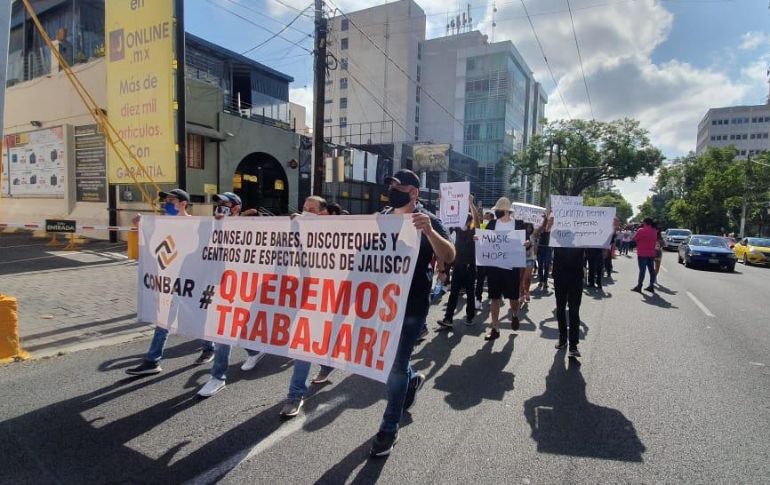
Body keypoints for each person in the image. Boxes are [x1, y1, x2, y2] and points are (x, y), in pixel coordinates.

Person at [370, 169, 455, 457]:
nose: (393, 190)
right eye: (391, 185)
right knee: (394, 362)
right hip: (382, 301)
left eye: (399, 186)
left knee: (395, 366)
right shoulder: (380, 217)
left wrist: (429, 232)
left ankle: (388, 428)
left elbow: (449, 255)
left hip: (413, 303)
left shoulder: (428, 220)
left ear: (414, 192)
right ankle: (414, 378)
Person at [126, 189, 217, 376]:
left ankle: (209, 347)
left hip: (192, 281)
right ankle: (152, 360)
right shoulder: (161, 224)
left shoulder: (197, 224)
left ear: (183, 203)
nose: (166, 203)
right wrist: (139, 225)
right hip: (169, 281)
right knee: (163, 320)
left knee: (198, 315)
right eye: (165, 200)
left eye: (171, 200)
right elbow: (152, 246)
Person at [197, 192, 265, 397]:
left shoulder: (248, 226)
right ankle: (254, 350)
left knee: (222, 331)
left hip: (238, 286)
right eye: (218, 203)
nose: (220, 206)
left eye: (225, 204)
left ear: (236, 207)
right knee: (229, 328)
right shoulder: (213, 225)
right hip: (217, 283)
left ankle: (218, 377)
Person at [280, 195, 337, 417]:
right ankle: (296, 394)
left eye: (311, 209)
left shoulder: (337, 231)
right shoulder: (299, 229)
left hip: (328, 295)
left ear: (323, 213)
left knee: (318, 339)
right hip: (303, 294)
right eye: (304, 208)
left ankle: (298, 393)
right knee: (303, 343)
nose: (306, 212)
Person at [545, 215, 585, 358]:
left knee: (574, 311)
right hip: (560, 276)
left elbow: (600, 240)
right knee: (560, 308)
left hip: (576, 277)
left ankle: (573, 345)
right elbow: (546, 236)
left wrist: (610, 229)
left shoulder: (583, 235)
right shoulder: (557, 234)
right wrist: (549, 224)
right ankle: (563, 339)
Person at [482, 197, 521, 341]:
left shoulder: (518, 225)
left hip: (511, 268)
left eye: (498, 210)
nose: (497, 212)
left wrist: (527, 243)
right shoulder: (492, 224)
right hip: (495, 267)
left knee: (513, 298)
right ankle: (495, 328)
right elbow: (485, 241)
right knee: (494, 298)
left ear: (506, 211)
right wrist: (479, 239)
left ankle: (515, 315)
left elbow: (526, 242)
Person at [437, 196, 480, 328]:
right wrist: (442, 203)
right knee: (454, 292)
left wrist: (471, 204)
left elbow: (477, 221)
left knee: (470, 292)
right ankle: (448, 318)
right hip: (458, 263)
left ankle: (470, 316)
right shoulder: (456, 227)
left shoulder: (473, 227)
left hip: (470, 265)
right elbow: (444, 223)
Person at [475, 210, 496, 307]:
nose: (485, 219)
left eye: (487, 217)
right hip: (482, 256)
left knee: (492, 279)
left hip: (492, 257)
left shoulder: (496, 227)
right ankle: (478, 299)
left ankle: (492, 297)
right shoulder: (480, 226)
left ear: (492, 218)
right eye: (484, 217)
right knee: (480, 279)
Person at [632, 218, 658, 294]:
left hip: (642, 253)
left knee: (642, 271)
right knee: (651, 271)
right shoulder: (654, 231)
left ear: (645, 223)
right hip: (651, 253)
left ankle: (639, 286)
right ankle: (651, 286)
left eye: (643, 222)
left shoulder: (641, 230)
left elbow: (635, 239)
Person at [520, 223, 537, 304]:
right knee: (521, 278)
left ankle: (527, 292)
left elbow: (535, 247)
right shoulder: (519, 235)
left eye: (530, 227)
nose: (529, 228)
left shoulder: (533, 236)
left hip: (530, 259)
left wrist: (535, 255)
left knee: (527, 278)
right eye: (527, 227)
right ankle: (522, 294)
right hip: (520, 258)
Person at [536, 213, 553, 291]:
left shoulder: (550, 228)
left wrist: (547, 219)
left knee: (546, 266)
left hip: (548, 248)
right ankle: (540, 281)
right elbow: (536, 234)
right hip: (540, 247)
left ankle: (545, 281)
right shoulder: (539, 228)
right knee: (540, 265)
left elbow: (548, 229)